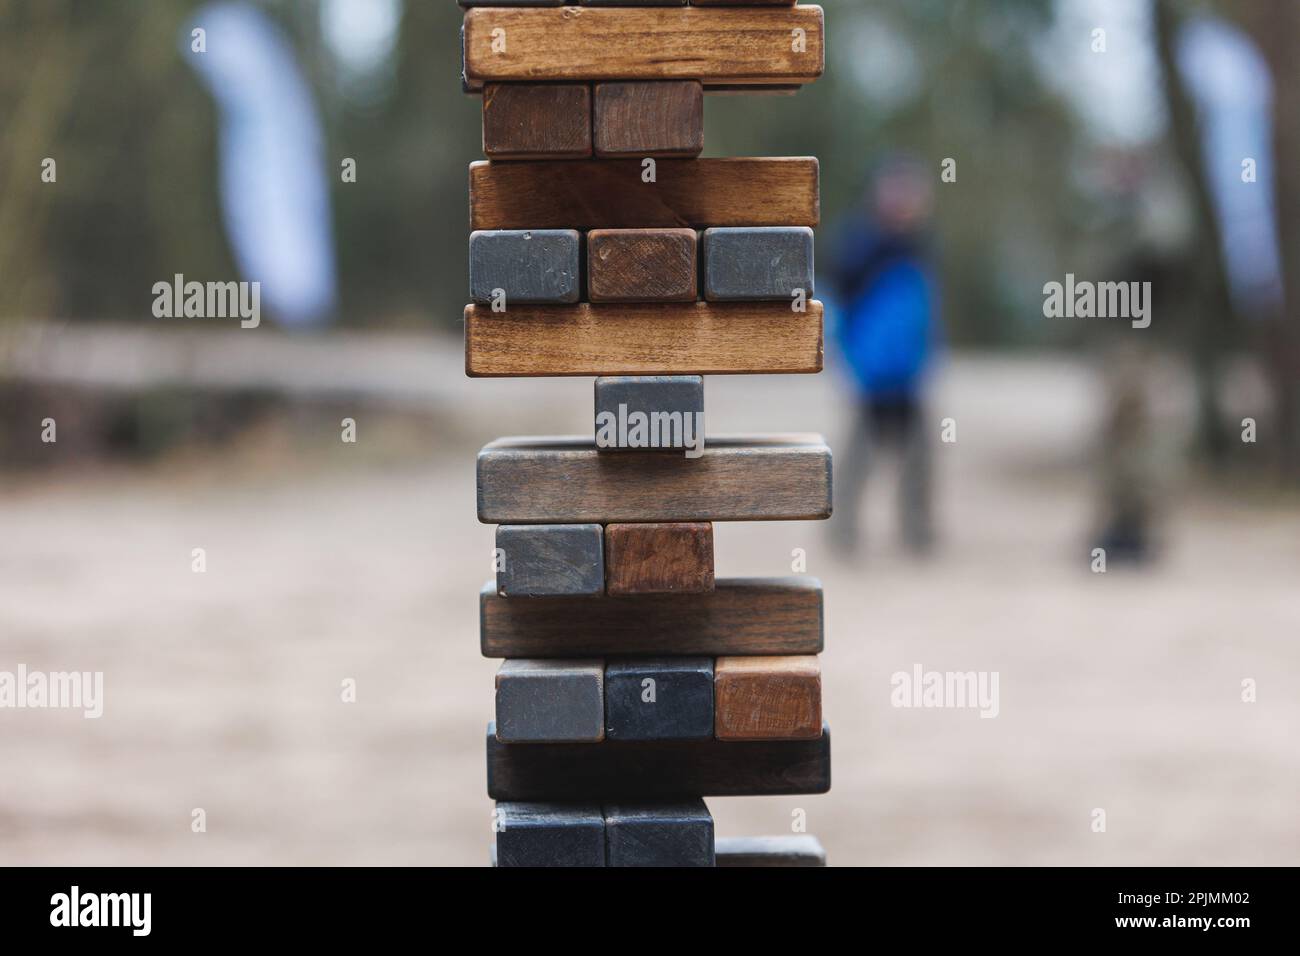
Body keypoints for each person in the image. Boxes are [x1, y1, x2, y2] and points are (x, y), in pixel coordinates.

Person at [829, 156, 942, 556]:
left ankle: (918, 535)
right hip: (873, 372)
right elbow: (841, 306)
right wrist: (855, 360)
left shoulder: (919, 246)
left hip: (909, 372)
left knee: (919, 459)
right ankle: (842, 534)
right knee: (859, 456)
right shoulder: (862, 246)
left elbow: (923, 310)